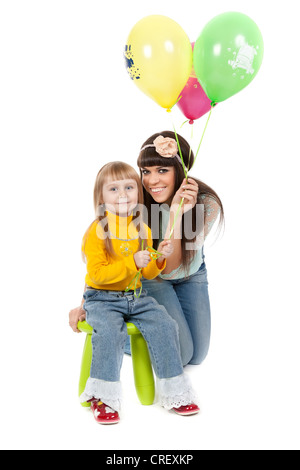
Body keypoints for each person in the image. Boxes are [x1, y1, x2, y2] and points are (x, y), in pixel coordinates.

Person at [72, 161, 199, 424]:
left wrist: (158, 258)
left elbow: (149, 273)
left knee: (165, 324)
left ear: (137, 194)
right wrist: (132, 262)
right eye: (114, 189)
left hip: (135, 297)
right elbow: (97, 275)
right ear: (101, 197)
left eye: (129, 187)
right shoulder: (97, 231)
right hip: (102, 299)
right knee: (108, 331)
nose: (122, 195)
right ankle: (103, 398)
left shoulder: (143, 229)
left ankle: (175, 392)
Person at [131, 131, 224, 367]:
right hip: (156, 278)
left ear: (180, 171)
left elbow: (179, 268)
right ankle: (114, 335)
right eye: (146, 171)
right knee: (181, 355)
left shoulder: (206, 203)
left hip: (191, 275)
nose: (152, 181)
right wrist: (174, 216)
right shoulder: (137, 201)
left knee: (198, 356)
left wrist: (181, 213)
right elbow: (166, 271)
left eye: (162, 170)